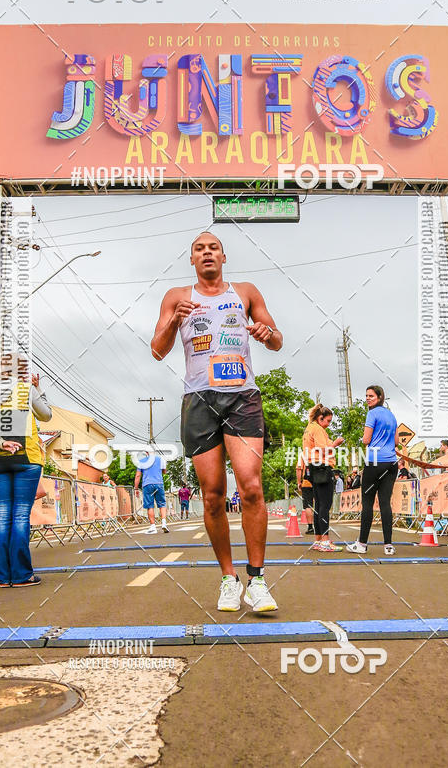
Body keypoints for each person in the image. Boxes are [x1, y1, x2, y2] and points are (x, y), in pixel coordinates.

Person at [150, 231, 282, 612]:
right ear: (192, 260)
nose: (206, 253)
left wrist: (265, 333)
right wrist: (174, 322)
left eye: (213, 248)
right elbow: (157, 350)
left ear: (224, 257)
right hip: (199, 399)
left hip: (242, 396)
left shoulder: (245, 292)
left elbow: (277, 340)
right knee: (212, 496)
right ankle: (228, 578)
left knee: (252, 487)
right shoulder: (178, 296)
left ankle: (257, 580)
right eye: (198, 249)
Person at [0, 360, 52, 587]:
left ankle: (2, 576)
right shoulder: (25, 390)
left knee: (2, 518)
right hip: (26, 458)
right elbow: (46, 416)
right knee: (19, 517)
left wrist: (0, 442)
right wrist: (38, 389)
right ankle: (20, 575)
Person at [347, 385, 399, 556]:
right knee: (385, 503)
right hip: (391, 463)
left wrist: (363, 438)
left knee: (367, 503)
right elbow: (396, 441)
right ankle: (388, 545)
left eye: (371, 396)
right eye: (366, 395)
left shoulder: (372, 414)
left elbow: (366, 439)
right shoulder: (391, 415)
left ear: (379, 397)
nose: (368, 398)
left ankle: (362, 543)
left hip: (375, 460)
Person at [302, 404, 344, 553]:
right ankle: (325, 541)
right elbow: (323, 450)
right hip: (322, 467)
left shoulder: (309, 428)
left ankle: (319, 539)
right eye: (328, 421)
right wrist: (336, 444)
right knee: (325, 506)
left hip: (313, 467)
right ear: (320, 418)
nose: (328, 424)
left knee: (319, 505)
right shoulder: (318, 430)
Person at [134, 449, 169, 534]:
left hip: (147, 485)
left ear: (146, 453)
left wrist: (136, 488)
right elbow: (164, 471)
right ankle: (164, 523)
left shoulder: (141, 461)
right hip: (159, 483)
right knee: (162, 504)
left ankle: (153, 527)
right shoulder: (160, 459)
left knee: (150, 506)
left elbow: (138, 475)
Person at [296, 450, 314, 534]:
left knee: (308, 505)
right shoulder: (321, 451)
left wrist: (299, 482)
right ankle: (322, 527)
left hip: (307, 483)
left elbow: (299, 469)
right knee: (321, 504)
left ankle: (310, 527)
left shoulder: (303, 454)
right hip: (321, 482)